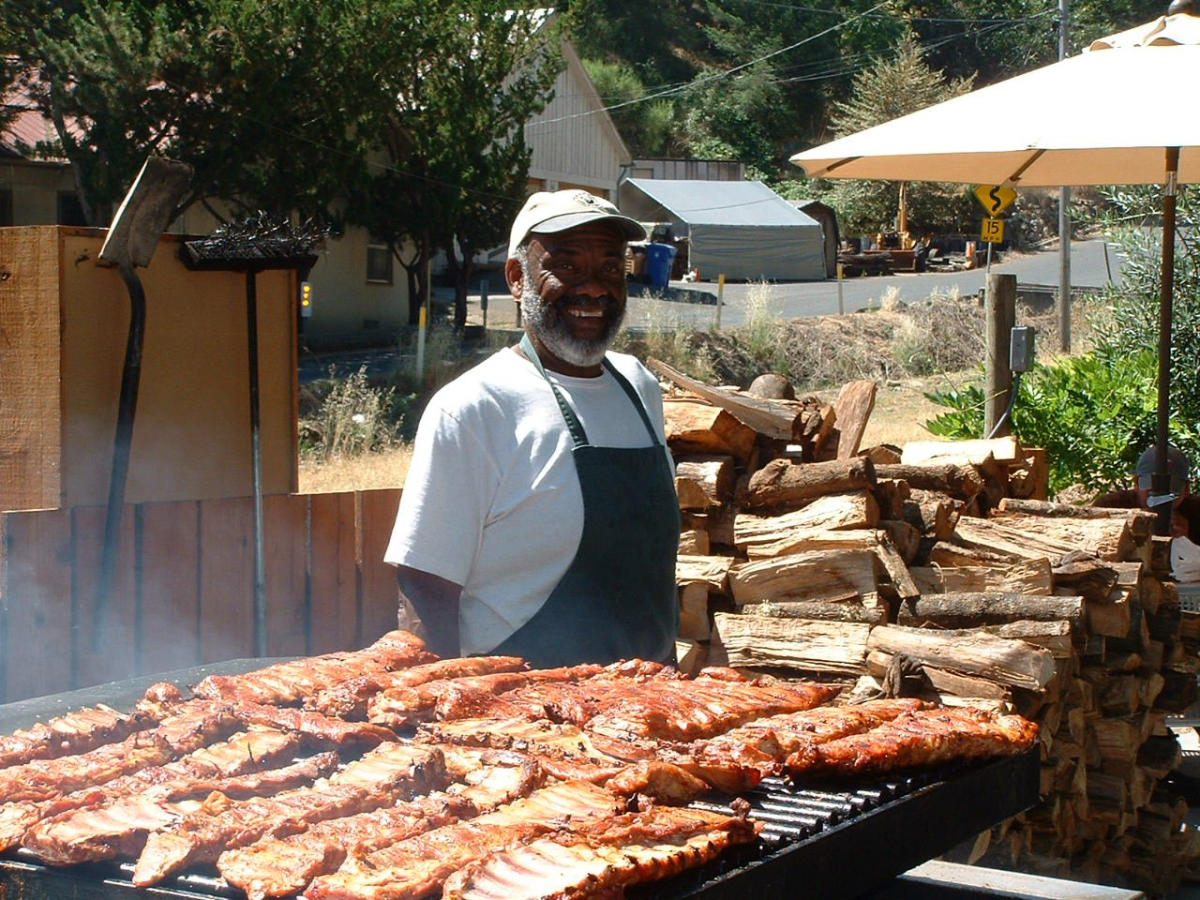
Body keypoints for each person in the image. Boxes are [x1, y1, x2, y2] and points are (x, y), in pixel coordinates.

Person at [384, 189, 680, 666]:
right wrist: (435, 701)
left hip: (650, 698)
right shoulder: (475, 407)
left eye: (610, 267)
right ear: (517, 278)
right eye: (566, 266)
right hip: (521, 702)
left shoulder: (639, 388)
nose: (595, 288)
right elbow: (425, 585)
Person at [1093, 443, 1200, 540]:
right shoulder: (1109, 507)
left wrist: (1188, 533)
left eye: (1170, 491)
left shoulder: (1196, 511)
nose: (1160, 500)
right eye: (1152, 491)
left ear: (1186, 489)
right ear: (1136, 483)